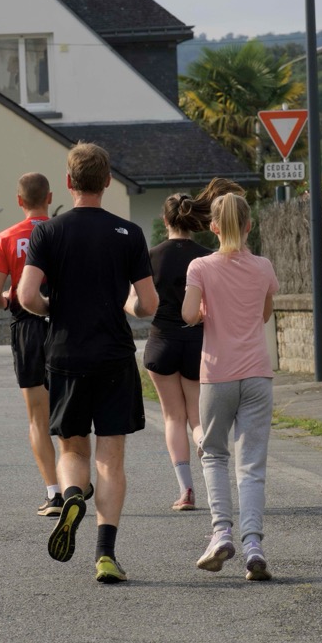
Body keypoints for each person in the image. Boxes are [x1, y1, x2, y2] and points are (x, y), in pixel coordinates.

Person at [18, 142, 158, 584]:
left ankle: (73, 495)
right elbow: (148, 304)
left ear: (68, 182)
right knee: (111, 458)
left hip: (64, 354)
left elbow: (26, 296)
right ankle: (105, 554)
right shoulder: (128, 233)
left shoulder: (47, 232)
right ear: (108, 181)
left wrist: (52, 310)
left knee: (73, 449)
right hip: (114, 354)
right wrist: (127, 305)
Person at [182, 192, 280, 581]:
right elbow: (264, 314)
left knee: (214, 454)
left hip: (217, 374)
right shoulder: (264, 267)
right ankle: (254, 544)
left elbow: (188, 314)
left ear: (214, 226)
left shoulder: (200, 267)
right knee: (251, 463)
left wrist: (205, 310)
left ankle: (221, 533)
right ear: (249, 225)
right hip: (257, 373)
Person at [0, 172, 63, 518]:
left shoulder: (6, 237)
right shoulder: (63, 232)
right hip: (65, 325)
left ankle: (54, 493)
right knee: (69, 409)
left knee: (37, 418)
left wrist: (6, 300)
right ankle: (76, 480)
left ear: (19, 201)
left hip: (27, 329)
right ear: (50, 197)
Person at [144, 193, 212, 511]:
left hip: (161, 342)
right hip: (197, 342)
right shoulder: (208, 258)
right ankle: (204, 442)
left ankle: (186, 491)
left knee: (172, 417)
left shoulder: (150, 257)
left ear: (165, 220)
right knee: (197, 416)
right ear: (193, 220)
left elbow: (141, 303)